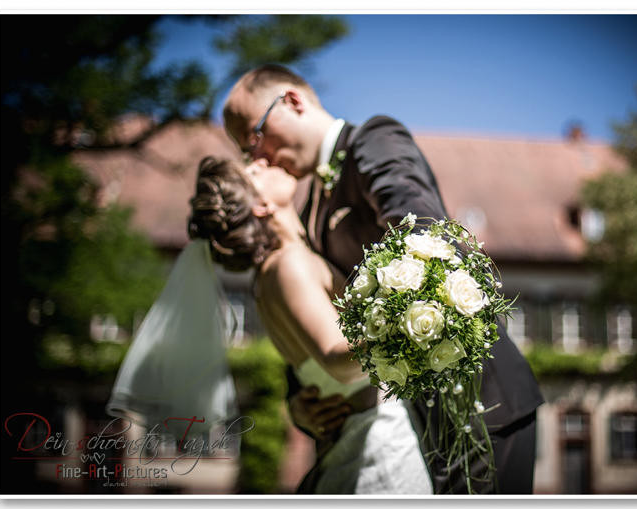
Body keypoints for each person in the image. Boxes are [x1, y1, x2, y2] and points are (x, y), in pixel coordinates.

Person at [222, 64, 546, 494]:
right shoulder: (306, 216)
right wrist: (301, 403)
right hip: (409, 430)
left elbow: (425, 234)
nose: (258, 158)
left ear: (292, 101)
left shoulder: (373, 140)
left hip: (478, 405)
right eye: (247, 153)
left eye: (255, 137)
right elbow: (316, 320)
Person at [187, 156, 432, 494]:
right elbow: (335, 359)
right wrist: (418, 317)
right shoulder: (288, 266)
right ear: (260, 206)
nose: (262, 160)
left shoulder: (269, 276)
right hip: (378, 448)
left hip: (352, 443)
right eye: (254, 171)